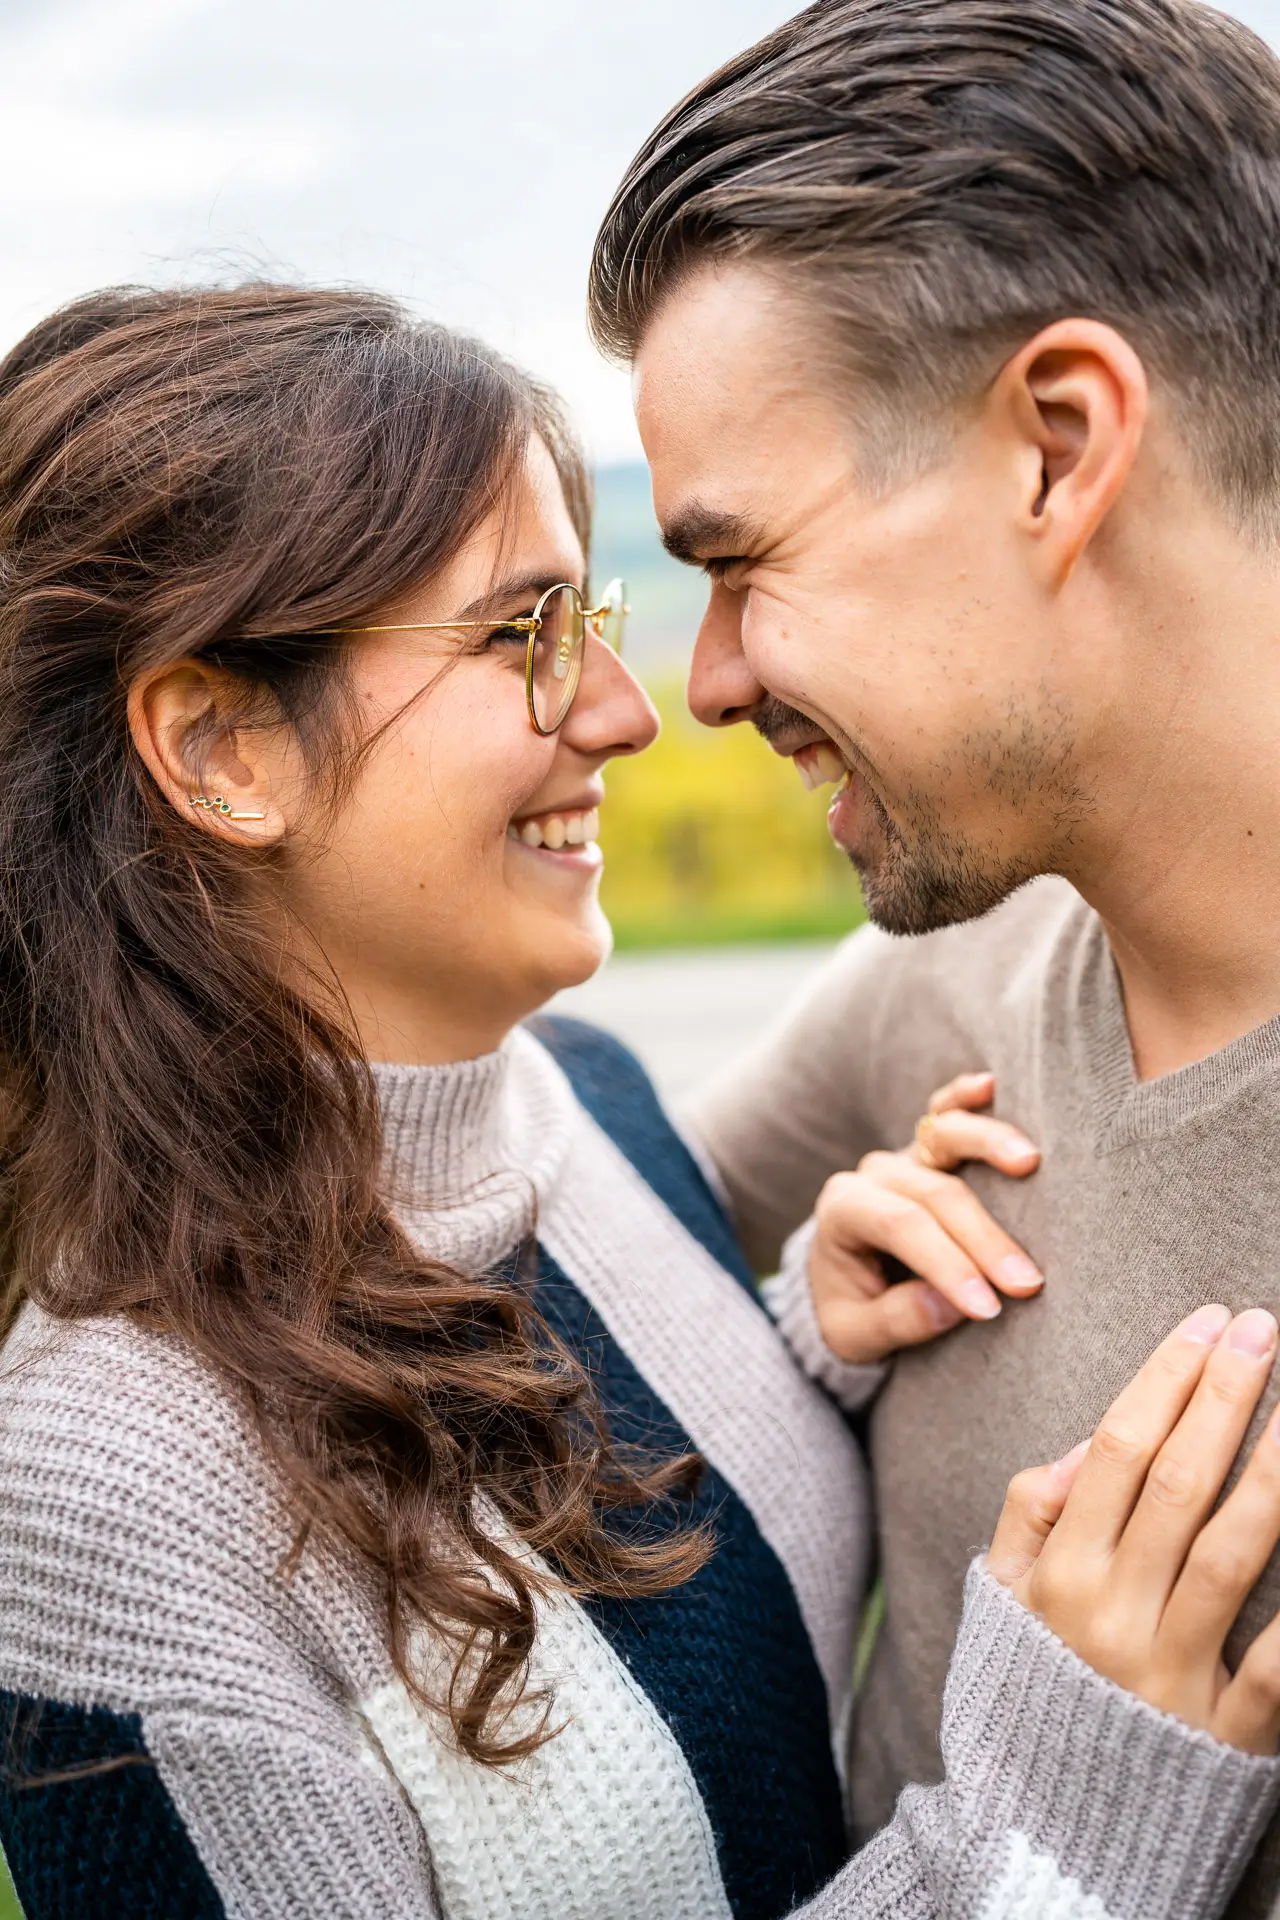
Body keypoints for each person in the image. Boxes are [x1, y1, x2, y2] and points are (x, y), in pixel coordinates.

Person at [0, 288, 1277, 1920]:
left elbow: (671, 1645)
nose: (626, 709)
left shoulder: (582, 1104)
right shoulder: (100, 1495)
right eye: (517, 634)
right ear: (225, 746)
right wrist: (1055, 1839)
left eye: (589, 615)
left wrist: (788, 1345)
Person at [586, 0, 1280, 1913]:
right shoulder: (945, 987)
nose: (702, 681)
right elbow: (557, 1275)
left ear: (1059, 451)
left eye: (741, 562)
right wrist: (805, 1300)